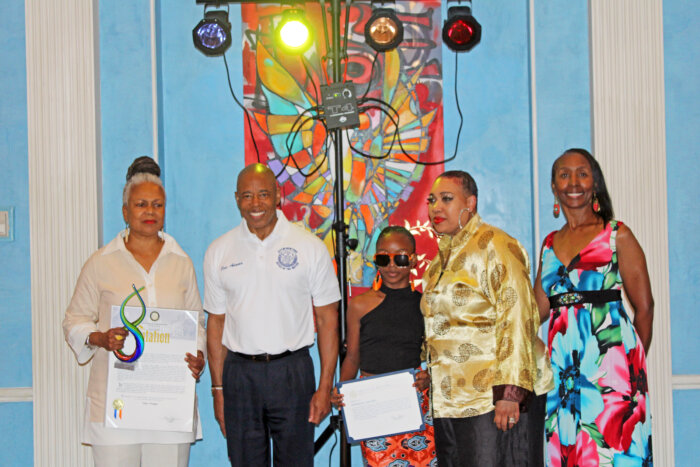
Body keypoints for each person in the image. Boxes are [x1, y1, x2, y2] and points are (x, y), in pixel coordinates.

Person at [62, 156, 206, 467]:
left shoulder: (181, 263)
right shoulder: (101, 262)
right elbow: (74, 319)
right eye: (141, 204)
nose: (150, 212)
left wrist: (198, 355)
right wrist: (100, 338)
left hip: (170, 406)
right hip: (115, 408)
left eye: (157, 205)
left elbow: (197, 324)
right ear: (125, 211)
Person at [204, 163, 340, 466]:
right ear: (236, 198)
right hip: (239, 375)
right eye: (247, 196)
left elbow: (329, 320)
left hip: (293, 373)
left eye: (263, 194)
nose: (255, 204)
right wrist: (218, 390)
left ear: (278, 196)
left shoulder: (309, 247)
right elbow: (215, 323)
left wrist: (324, 386)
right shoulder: (219, 251)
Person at [421, 170, 553, 467]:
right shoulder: (437, 262)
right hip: (451, 401)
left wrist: (510, 393)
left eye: (446, 199)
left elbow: (518, 317)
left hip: (493, 397)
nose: (435, 208)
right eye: (431, 200)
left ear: (471, 202)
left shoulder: (496, 245)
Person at [534, 148, 654, 466]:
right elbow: (536, 311)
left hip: (612, 367)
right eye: (564, 174)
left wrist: (632, 367)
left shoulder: (617, 235)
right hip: (564, 372)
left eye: (582, 173)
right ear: (554, 187)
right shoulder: (548, 244)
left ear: (595, 184)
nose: (573, 181)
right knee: (571, 449)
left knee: (613, 450)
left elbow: (645, 307)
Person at [332, 226, 437, 466]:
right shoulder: (359, 305)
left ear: (412, 261)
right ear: (375, 260)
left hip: (414, 404)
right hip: (373, 406)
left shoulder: (425, 305)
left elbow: (438, 356)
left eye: (400, 258)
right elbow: (352, 357)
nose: (391, 265)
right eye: (383, 257)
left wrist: (429, 377)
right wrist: (340, 390)